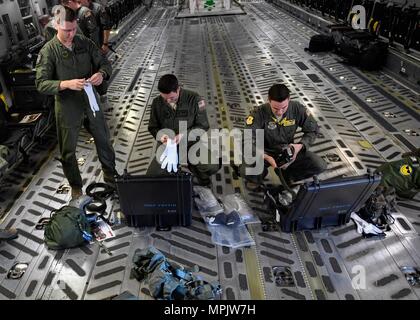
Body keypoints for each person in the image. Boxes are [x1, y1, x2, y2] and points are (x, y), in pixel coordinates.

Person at [35, 6, 117, 199]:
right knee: (68, 151)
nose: (71, 34)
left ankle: (111, 178)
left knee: (104, 140)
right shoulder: (49, 51)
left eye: (73, 29)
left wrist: (101, 74)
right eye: (66, 30)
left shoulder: (84, 42)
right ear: (56, 26)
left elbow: (105, 63)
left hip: (90, 100)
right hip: (67, 106)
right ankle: (76, 186)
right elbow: (40, 83)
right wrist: (65, 84)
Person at [240, 83, 327, 188]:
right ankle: (256, 177)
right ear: (269, 100)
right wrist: (264, 156)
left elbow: (313, 130)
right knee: (246, 169)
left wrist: (300, 146)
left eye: (284, 108)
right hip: (264, 151)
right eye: (275, 108)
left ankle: (288, 175)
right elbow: (247, 140)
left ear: (289, 99)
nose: (280, 112)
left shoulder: (297, 109)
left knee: (319, 165)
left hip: (287, 151)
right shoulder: (258, 114)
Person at [147, 74, 220, 186]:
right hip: (167, 146)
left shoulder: (194, 99)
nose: (168, 101)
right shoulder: (157, 103)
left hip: (191, 143)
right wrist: (162, 138)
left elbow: (203, 126)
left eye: (171, 98)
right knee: (153, 175)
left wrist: (183, 136)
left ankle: (199, 177)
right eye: (164, 98)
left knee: (211, 165)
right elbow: (153, 127)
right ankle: (172, 177)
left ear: (178, 89)